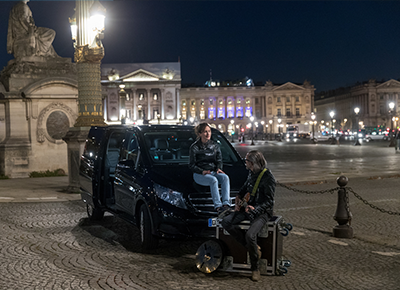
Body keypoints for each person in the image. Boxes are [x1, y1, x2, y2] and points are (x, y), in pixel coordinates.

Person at [221, 150, 276, 282]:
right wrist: (238, 198)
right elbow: (244, 189)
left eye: (246, 160)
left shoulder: (268, 177)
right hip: (246, 209)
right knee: (226, 222)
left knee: (250, 235)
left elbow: (270, 201)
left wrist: (255, 209)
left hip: (262, 213)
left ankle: (255, 268)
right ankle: (253, 248)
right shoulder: (251, 173)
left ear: (252, 163)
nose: (245, 162)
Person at [189, 123, 231, 215]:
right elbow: (191, 165)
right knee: (213, 180)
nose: (208, 134)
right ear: (199, 134)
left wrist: (219, 168)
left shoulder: (215, 146)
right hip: (199, 174)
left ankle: (226, 204)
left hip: (213, 171)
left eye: (209, 131)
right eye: (205, 132)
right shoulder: (194, 147)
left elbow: (219, 160)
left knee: (225, 177)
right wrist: (202, 171)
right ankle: (218, 206)